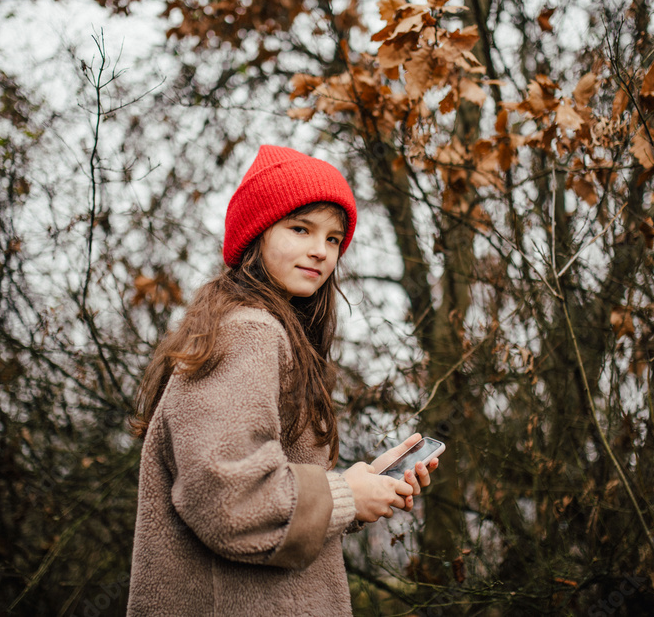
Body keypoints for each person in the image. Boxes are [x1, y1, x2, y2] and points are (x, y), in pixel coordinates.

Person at [126, 145, 439, 616]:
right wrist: (345, 496)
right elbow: (229, 497)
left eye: (334, 239)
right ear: (256, 234)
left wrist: (363, 487)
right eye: (300, 228)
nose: (321, 249)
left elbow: (255, 481)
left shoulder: (255, 329)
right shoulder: (249, 330)